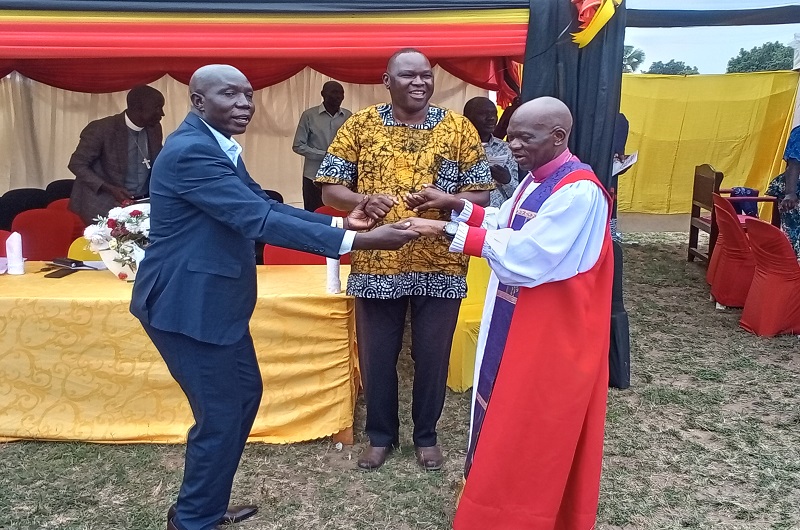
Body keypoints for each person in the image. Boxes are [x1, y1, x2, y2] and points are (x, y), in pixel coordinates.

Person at [129, 64, 418, 530]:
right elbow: (256, 222)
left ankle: (201, 508)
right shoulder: (191, 153)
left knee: (242, 397)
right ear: (198, 101)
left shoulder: (216, 145)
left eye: (248, 95)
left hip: (213, 304)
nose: (245, 104)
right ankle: (192, 520)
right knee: (222, 414)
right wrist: (360, 244)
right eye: (230, 95)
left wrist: (343, 223)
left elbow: (264, 205)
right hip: (187, 305)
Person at [405, 96, 614, 529]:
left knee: (532, 425)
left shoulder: (579, 191)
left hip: (552, 331)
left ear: (558, 137)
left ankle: (523, 515)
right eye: (511, 134)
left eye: (525, 137)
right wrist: (453, 204)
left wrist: (446, 230)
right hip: (521, 318)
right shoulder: (537, 179)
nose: (512, 144)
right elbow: (506, 221)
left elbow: (529, 253)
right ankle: (493, 505)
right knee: (505, 416)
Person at [315, 48, 494, 472]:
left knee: (432, 354)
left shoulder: (458, 129)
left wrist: (447, 199)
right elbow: (329, 188)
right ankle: (380, 435)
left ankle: (426, 436)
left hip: (442, 262)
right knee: (378, 354)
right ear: (387, 80)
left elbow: (481, 193)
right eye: (408, 75)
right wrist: (363, 199)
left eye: (426, 76)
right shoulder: (361, 125)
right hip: (377, 261)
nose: (419, 82)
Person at [68, 85, 165, 224]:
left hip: (141, 204)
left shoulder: (154, 128)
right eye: (157, 107)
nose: (162, 113)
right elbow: (77, 164)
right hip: (103, 204)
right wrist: (110, 188)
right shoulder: (102, 129)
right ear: (138, 108)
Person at [292, 81, 352, 211]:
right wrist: (325, 155)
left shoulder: (348, 116)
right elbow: (298, 145)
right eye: (334, 92)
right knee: (313, 215)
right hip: (313, 176)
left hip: (341, 176)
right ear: (323, 94)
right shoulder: (309, 115)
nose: (338, 96)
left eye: (341, 93)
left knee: (339, 215)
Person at [463, 96, 519, 208]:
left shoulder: (507, 149)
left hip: (497, 218)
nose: (491, 118)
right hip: (464, 215)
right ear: (466, 117)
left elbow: (517, 195)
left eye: (494, 113)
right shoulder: (455, 148)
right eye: (483, 114)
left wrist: (507, 180)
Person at [767, 124, 800, 259]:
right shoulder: (799, 133)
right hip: (794, 187)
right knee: (794, 235)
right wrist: (790, 193)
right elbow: (794, 164)